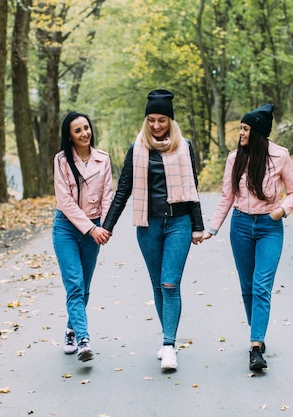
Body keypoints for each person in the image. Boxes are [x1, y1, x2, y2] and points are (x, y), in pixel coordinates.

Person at [102, 89, 204, 370]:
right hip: (148, 225)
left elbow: (192, 187)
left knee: (170, 283)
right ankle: (167, 337)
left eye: (161, 120)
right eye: (151, 120)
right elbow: (123, 190)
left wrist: (198, 226)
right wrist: (106, 226)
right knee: (158, 285)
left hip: (179, 223)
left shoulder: (185, 146)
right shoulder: (136, 150)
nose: (156, 125)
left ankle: (169, 344)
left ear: (170, 120)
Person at [201, 104, 293, 371]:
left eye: (245, 129)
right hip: (241, 226)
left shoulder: (280, 156)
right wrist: (211, 229)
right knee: (247, 287)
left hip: (270, 227)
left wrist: (281, 210)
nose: (240, 133)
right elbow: (227, 197)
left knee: (261, 287)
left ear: (257, 132)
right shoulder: (235, 158)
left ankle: (256, 346)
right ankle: (257, 328)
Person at [52, 111, 113, 362]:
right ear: (69, 135)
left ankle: (71, 328)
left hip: (95, 229)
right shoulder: (61, 160)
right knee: (74, 283)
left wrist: (105, 227)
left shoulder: (103, 159)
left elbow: (108, 194)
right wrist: (90, 228)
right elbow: (65, 201)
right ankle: (83, 339)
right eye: (78, 130)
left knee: (84, 287)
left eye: (86, 128)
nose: (84, 133)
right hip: (67, 228)